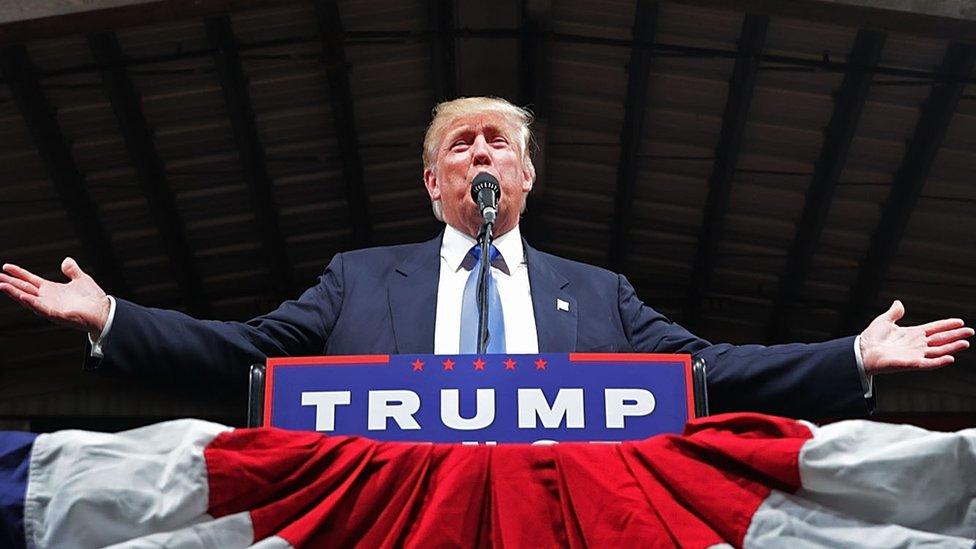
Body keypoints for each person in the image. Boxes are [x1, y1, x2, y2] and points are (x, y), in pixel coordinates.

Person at [1, 97, 971, 418]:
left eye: (494, 144)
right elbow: (243, 357)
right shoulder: (355, 278)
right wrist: (111, 319)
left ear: (526, 177)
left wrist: (851, 356)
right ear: (431, 186)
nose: (477, 154)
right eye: (457, 145)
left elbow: (706, 371)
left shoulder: (598, 293)